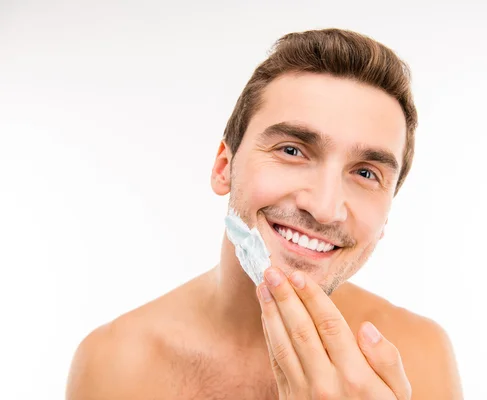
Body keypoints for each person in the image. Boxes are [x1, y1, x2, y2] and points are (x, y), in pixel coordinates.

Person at [66, 28, 463, 399]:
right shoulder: (115, 364)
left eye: (365, 173)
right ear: (225, 166)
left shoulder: (418, 358)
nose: (324, 208)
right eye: (292, 150)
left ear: (387, 215)